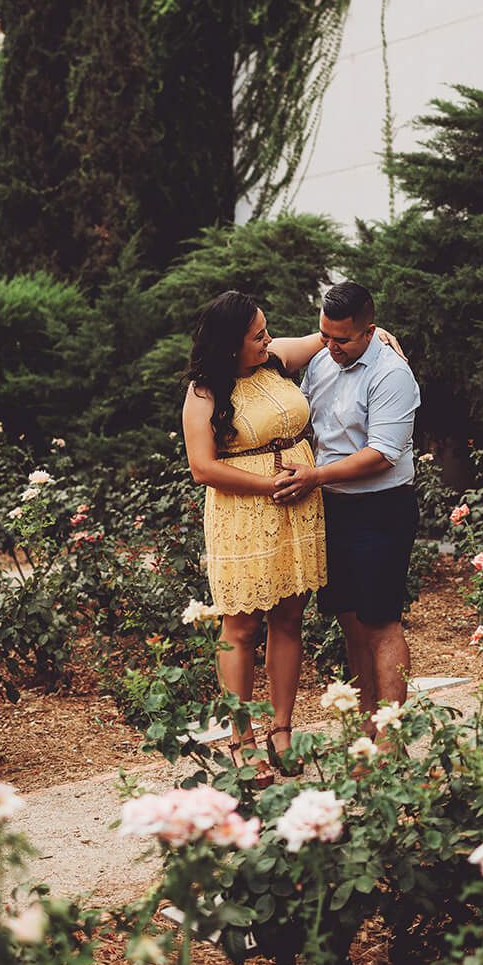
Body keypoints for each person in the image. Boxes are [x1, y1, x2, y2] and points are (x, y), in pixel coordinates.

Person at [181, 292, 325, 776]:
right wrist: (268, 485)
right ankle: (241, 741)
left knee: (289, 619)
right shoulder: (204, 392)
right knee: (241, 627)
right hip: (243, 512)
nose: (267, 340)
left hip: (298, 505)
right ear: (229, 345)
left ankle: (281, 730)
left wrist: (377, 333)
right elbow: (201, 467)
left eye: (267, 331)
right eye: (258, 335)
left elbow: (323, 338)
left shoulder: (275, 359)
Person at [271, 281, 423, 734]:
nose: (331, 347)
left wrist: (315, 475)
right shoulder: (322, 358)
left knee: (381, 623)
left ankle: (391, 737)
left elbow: (382, 453)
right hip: (332, 510)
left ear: (370, 331)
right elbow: (270, 360)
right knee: (351, 624)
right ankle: (365, 732)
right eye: (325, 336)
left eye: (342, 339)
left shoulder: (391, 373)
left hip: (381, 510)